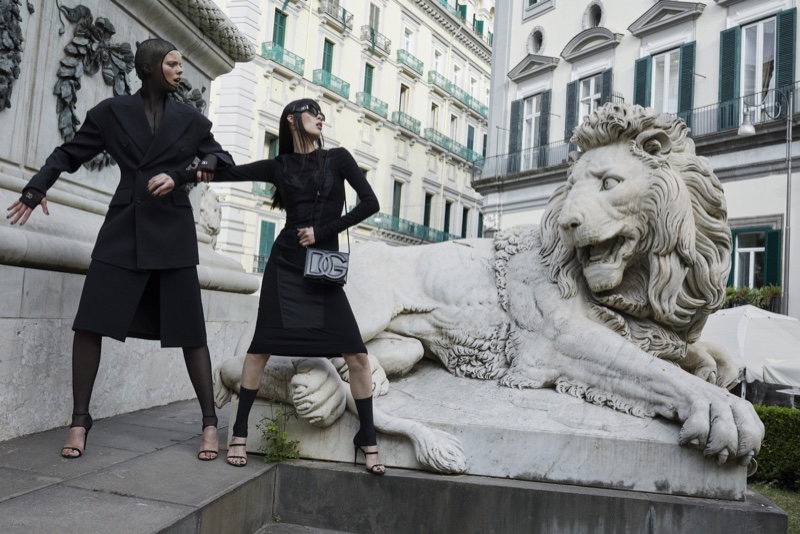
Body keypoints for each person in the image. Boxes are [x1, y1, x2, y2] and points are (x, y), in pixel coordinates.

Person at [5, 39, 233, 461]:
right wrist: (36, 189)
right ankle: (79, 421)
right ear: (148, 67)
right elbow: (69, 153)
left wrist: (181, 175)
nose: (179, 71)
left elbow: (221, 159)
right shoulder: (111, 114)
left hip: (173, 236)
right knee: (89, 323)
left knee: (190, 332)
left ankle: (208, 423)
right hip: (123, 228)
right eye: (171, 63)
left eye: (180, 64)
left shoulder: (191, 118)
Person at [193, 98, 384, 474]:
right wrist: (199, 166)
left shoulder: (339, 158)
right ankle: (240, 431)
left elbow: (370, 203)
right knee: (260, 349)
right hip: (285, 268)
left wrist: (323, 231)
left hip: (323, 271)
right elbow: (231, 173)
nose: (320, 116)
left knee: (357, 356)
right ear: (292, 119)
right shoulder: (279, 165)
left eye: (321, 113)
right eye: (312, 111)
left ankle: (367, 434)